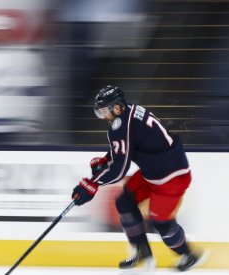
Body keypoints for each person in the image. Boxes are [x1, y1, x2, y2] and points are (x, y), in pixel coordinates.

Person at [71, 85, 207, 271]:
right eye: (100, 112)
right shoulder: (129, 113)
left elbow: (119, 169)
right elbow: (125, 148)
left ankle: (189, 255)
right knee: (125, 201)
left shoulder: (121, 126)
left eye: (105, 111)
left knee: (161, 223)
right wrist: (107, 159)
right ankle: (142, 252)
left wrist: (91, 184)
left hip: (172, 178)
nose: (103, 117)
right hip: (155, 172)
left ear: (117, 108)